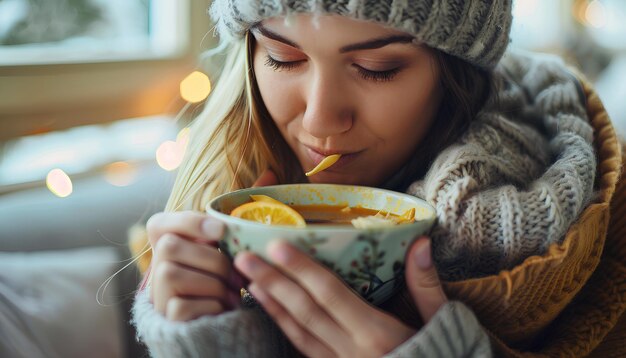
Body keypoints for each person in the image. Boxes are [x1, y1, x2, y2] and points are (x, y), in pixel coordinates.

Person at [131, 1, 626, 357]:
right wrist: (208, 343)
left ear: (456, 76)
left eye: (377, 68)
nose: (321, 120)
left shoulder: (599, 204)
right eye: (283, 57)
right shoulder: (219, 191)